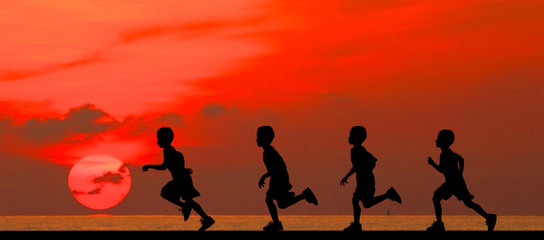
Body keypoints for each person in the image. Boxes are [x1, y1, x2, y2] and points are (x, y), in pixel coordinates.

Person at [142, 127, 215, 231]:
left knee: (166, 193)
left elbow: (164, 167)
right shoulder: (172, 151)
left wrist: (149, 166)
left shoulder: (168, 151)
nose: (157, 141)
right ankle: (206, 219)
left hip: (181, 180)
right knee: (189, 201)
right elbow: (176, 164)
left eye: (159, 139)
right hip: (182, 178)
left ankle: (199, 215)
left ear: (164, 139)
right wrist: (184, 170)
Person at [426, 129, 496, 231]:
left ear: (443, 142)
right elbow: (461, 159)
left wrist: (432, 164)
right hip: (454, 183)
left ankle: (439, 225)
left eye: (438, 139)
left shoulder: (445, 154)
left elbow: (442, 170)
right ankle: (489, 217)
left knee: (436, 198)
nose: (436, 141)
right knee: (467, 203)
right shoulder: (447, 153)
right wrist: (460, 172)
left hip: (453, 184)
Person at [256, 126, 318, 231]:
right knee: (282, 204)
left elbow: (275, 169)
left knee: (269, 199)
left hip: (279, 179)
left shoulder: (268, 152)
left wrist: (263, 177)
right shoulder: (268, 151)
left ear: (265, 138)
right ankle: (304, 195)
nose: (257, 139)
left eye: (259, 137)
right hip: (280, 177)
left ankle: (276, 223)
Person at [341, 126, 402, 231]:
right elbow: (363, 164)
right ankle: (388, 194)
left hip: (365, 181)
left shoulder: (357, 151)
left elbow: (368, 162)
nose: (349, 137)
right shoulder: (357, 150)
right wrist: (348, 175)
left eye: (351, 135)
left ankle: (356, 225)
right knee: (366, 203)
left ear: (357, 138)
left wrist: (347, 176)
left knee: (356, 200)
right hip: (363, 180)